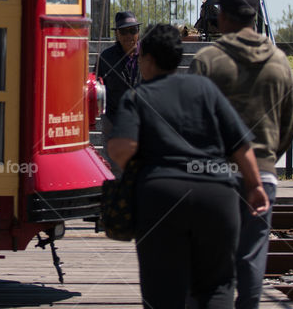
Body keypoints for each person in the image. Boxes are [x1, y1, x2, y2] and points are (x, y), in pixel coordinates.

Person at [108, 24, 269, 309]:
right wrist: (255, 185)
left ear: (148, 59)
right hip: (217, 195)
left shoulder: (138, 96)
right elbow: (240, 145)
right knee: (217, 286)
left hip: (161, 197)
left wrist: (136, 164)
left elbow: (123, 150)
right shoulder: (205, 89)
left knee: (163, 290)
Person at [188, 0, 293, 309]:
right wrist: (264, 161)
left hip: (214, 175)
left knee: (211, 258)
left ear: (222, 17)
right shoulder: (279, 61)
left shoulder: (208, 60)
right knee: (251, 257)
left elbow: (193, 123)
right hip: (262, 176)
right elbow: (288, 124)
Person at [94, 11, 140, 177]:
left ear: (138, 32)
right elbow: (97, 86)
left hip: (141, 121)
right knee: (117, 169)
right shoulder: (106, 58)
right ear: (117, 34)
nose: (129, 36)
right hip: (114, 120)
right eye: (124, 31)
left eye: (133, 30)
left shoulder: (148, 56)